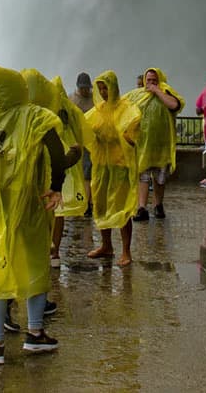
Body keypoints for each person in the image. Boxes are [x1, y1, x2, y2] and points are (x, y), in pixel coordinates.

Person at [0, 64, 76, 367]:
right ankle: (35, 333)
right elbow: (56, 154)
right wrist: (58, 183)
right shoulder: (34, 115)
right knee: (34, 260)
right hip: (30, 202)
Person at [84, 71, 141, 265]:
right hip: (101, 167)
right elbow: (84, 126)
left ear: (114, 87)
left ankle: (126, 251)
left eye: (105, 87)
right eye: (100, 88)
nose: (103, 91)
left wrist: (128, 136)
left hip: (120, 166)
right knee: (100, 205)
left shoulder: (126, 108)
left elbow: (134, 129)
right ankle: (106, 245)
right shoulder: (98, 110)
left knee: (121, 208)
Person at [126, 67, 184, 221]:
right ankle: (142, 208)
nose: (150, 83)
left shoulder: (167, 92)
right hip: (143, 144)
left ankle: (158, 205)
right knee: (143, 177)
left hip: (162, 146)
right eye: (148, 80)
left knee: (159, 178)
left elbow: (174, 105)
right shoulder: (138, 95)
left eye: (154, 80)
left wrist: (157, 91)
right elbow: (124, 110)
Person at [49, 75, 92, 266]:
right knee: (58, 208)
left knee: (55, 208)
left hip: (60, 157)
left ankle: (53, 251)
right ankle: (54, 252)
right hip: (67, 156)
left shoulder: (47, 111)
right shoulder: (69, 106)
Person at [72, 73, 94, 215]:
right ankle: (79, 200)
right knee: (77, 173)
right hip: (76, 141)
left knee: (87, 172)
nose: (85, 91)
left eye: (87, 88)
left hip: (90, 141)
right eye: (83, 88)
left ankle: (87, 203)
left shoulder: (94, 100)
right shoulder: (72, 100)